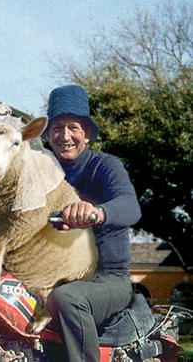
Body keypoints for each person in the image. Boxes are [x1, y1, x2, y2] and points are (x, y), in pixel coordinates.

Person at [43, 84, 141, 362]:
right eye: (57, 128)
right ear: (48, 135)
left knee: (67, 298)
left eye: (73, 127)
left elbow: (130, 206)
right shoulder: (41, 175)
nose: (65, 136)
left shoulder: (106, 166)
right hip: (55, 277)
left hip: (108, 280)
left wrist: (96, 212)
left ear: (86, 133)